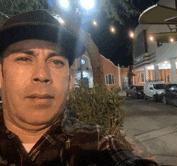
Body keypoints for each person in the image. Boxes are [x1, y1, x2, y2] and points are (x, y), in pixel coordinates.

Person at [0, 10, 159, 166]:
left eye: (56, 62)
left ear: (70, 82)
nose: (42, 74)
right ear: (1, 75)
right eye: (24, 59)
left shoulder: (95, 145)